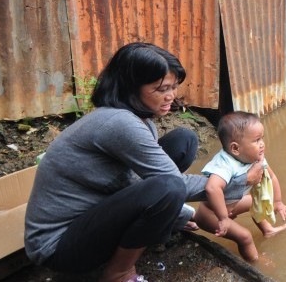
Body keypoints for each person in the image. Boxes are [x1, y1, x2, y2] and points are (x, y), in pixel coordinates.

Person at [24, 42, 263, 282]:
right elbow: (170, 183)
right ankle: (119, 273)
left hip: (96, 211)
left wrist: (178, 213)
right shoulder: (120, 124)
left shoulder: (136, 119)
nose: (171, 96)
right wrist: (237, 182)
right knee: (169, 188)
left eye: (173, 87)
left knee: (183, 141)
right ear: (132, 88)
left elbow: (133, 179)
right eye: (161, 89)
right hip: (59, 247)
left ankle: (160, 223)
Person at [194, 111, 286, 261]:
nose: (262, 144)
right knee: (245, 236)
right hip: (211, 214)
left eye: (262, 138)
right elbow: (212, 188)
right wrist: (224, 217)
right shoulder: (225, 164)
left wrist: (277, 202)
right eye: (257, 140)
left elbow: (271, 177)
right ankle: (255, 261)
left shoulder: (255, 157)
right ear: (235, 148)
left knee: (254, 202)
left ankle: (268, 230)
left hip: (231, 205)